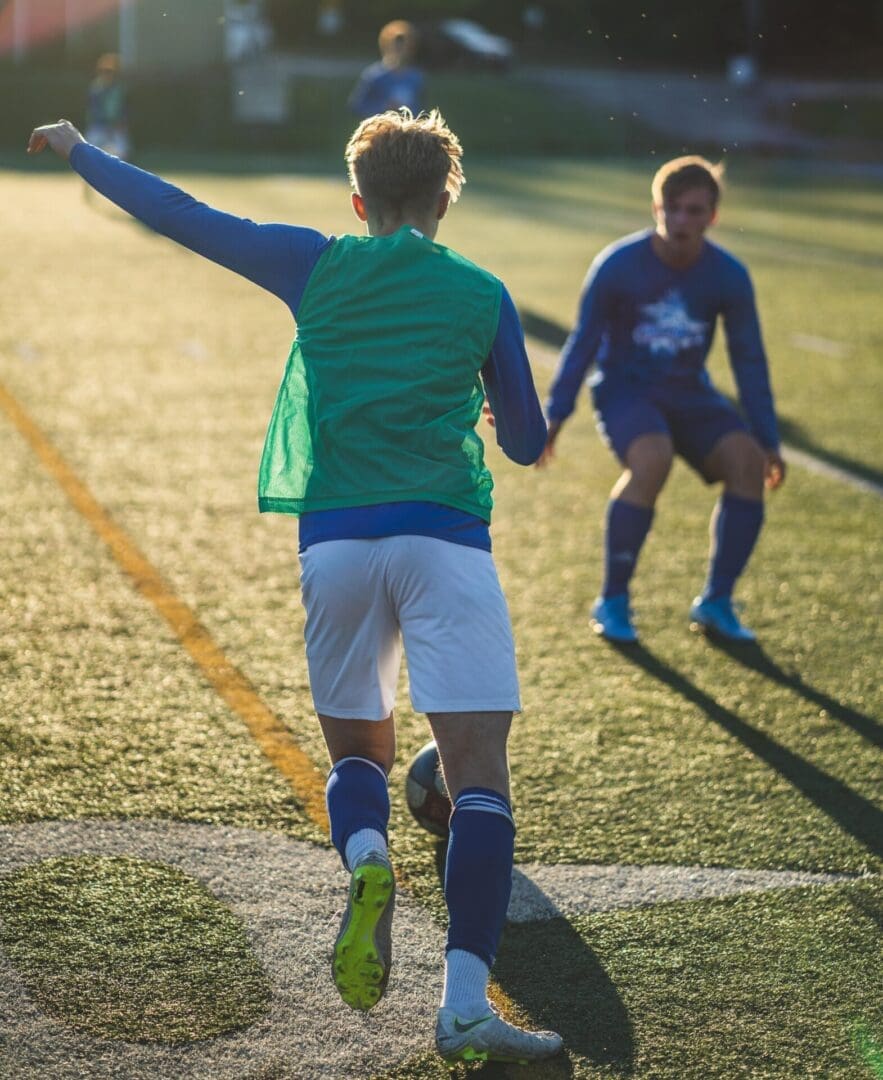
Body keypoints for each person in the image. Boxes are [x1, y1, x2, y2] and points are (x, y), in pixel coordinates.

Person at [27, 110, 562, 1066]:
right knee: (477, 778)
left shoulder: (313, 264)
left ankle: (366, 861)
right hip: (445, 542)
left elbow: (180, 214)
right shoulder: (481, 291)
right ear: (445, 199)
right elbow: (525, 444)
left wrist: (78, 148)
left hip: (337, 548)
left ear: (358, 201)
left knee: (359, 752)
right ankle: (464, 1008)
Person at [542, 156, 785, 644]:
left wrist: (767, 437)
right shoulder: (617, 264)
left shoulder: (728, 275)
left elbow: (749, 360)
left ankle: (716, 601)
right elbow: (583, 344)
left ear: (712, 216)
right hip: (625, 391)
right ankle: (612, 600)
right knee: (652, 460)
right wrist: (556, 414)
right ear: (656, 207)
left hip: (690, 393)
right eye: (672, 209)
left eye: (694, 211)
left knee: (746, 463)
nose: (681, 221)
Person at [348, 20, 424, 119]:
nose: (399, 51)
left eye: (404, 46)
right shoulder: (374, 76)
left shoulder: (415, 77)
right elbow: (357, 106)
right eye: (396, 46)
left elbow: (420, 108)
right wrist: (384, 108)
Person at [85, 53, 129, 160]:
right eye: (105, 71)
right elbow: (94, 109)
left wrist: (120, 123)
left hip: (116, 127)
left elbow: (124, 109)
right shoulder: (95, 89)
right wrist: (106, 124)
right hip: (98, 127)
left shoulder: (119, 89)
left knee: (121, 152)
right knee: (89, 151)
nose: (108, 74)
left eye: (110, 71)